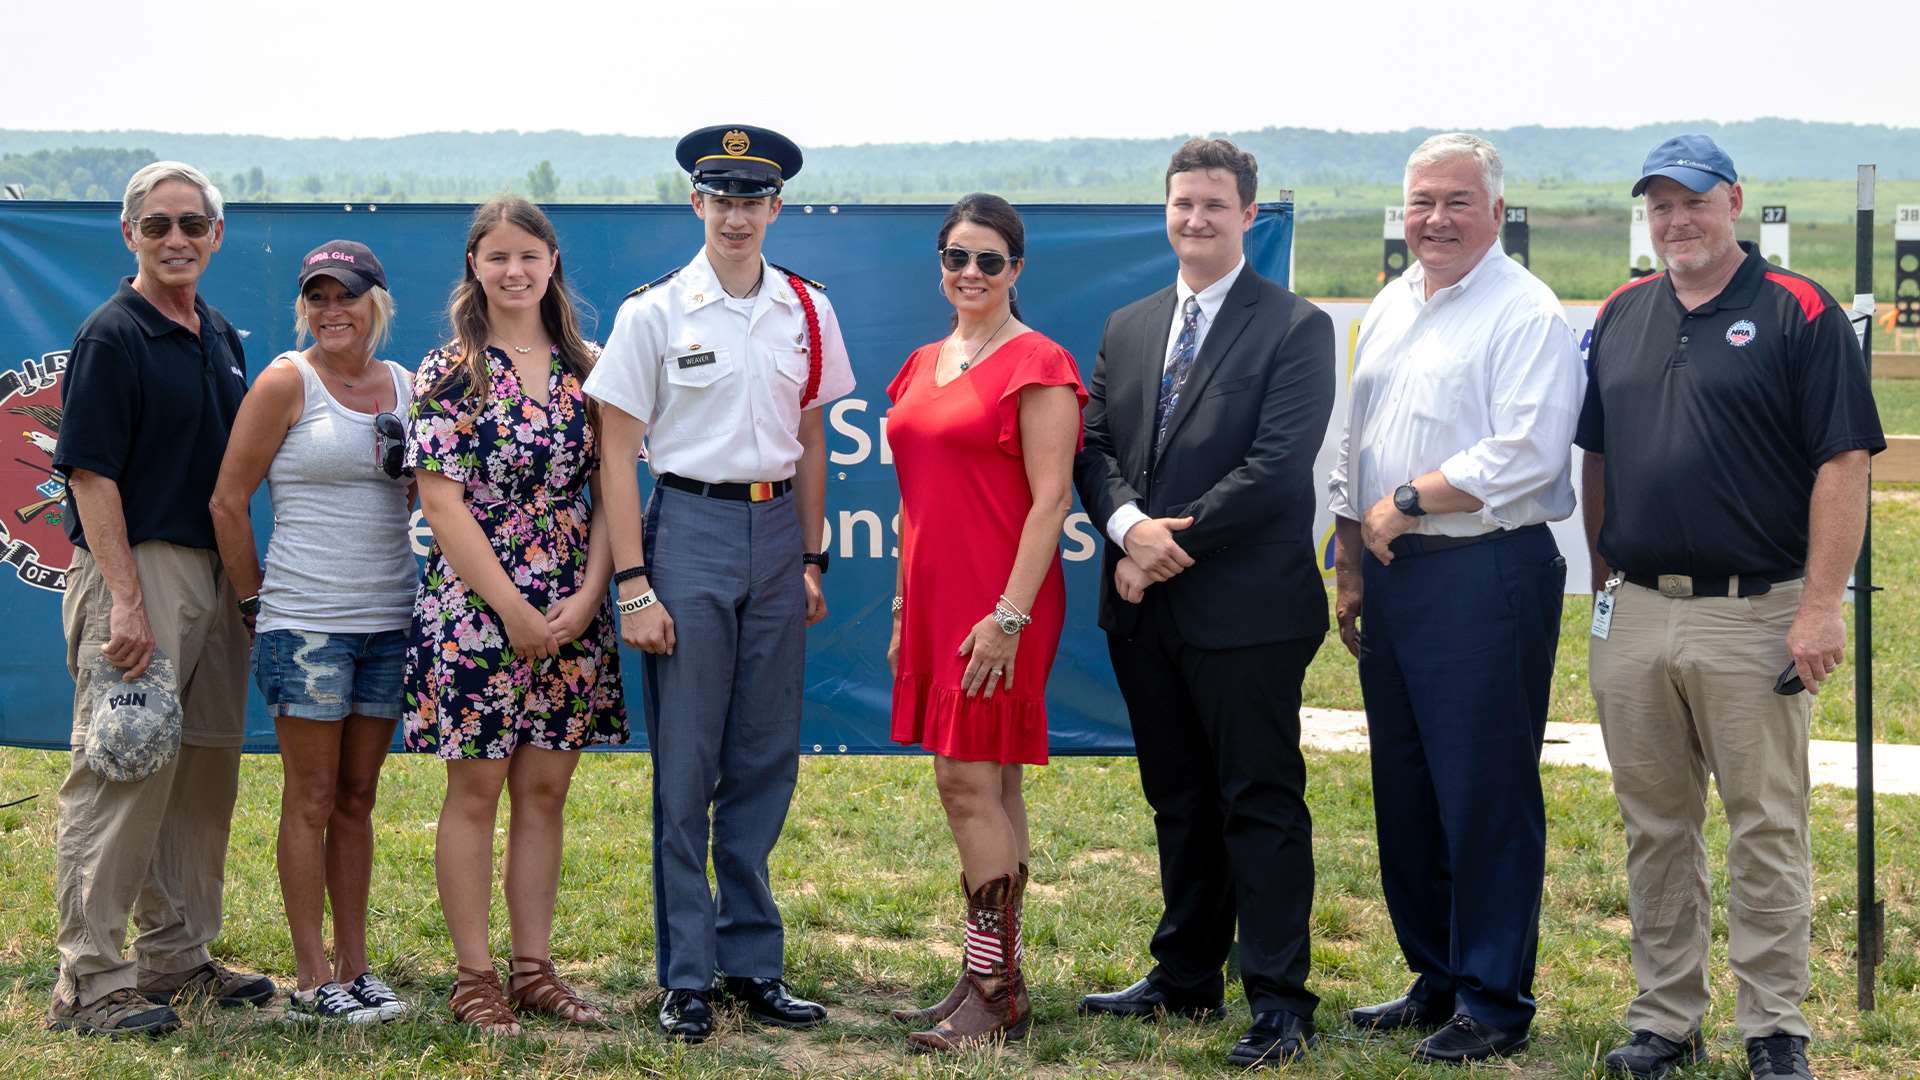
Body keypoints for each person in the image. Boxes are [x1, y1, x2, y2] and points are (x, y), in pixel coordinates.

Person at [1578, 135, 1883, 1080]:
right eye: (1660, 205)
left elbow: (1844, 463)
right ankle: (1665, 1019)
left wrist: (1821, 608)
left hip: (1757, 610)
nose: (1678, 220)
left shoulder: (1798, 310)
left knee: (1766, 824)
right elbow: (1597, 456)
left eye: (1694, 201)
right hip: (1634, 611)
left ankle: (1774, 1027)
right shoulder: (1622, 311)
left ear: (1735, 202)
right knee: (1656, 825)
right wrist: (1601, 586)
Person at [585, 124, 854, 1043]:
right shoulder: (654, 313)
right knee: (688, 765)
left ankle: (752, 963)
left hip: (777, 531)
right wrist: (632, 581)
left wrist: (811, 555)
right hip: (687, 528)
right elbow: (617, 454)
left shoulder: (808, 311)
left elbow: (812, 438)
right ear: (696, 203)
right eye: (722, 198)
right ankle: (687, 975)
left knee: (763, 757)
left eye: (754, 200)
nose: (738, 215)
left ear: (778, 207)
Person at [1072, 138, 1334, 1070]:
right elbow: (1092, 446)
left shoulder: (1295, 327)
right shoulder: (1131, 324)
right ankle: (1185, 976)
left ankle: (1279, 1002)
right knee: (1178, 800)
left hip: (1248, 612)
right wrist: (1128, 531)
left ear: (1247, 215)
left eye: (1214, 204)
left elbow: (1274, 469)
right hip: (1143, 610)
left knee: (1258, 802)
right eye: (1182, 202)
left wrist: (1161, 548)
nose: (1195, 218)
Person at [1326, 132, 1582, 1064]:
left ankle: (1493, 1000)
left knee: (1484, 792)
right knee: (1409, 786)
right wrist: (1351, 553)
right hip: (1397, 576)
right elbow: (1359, 436)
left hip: (1485, 571)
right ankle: (1434, 975)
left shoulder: (1526, 313)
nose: (1434, 219)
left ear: (1497, 213)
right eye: (1422, 202)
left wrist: (1405, 501)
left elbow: (1528, 452)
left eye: (1456, 203)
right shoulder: (1396, 302)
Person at [47, 161, 272, 1036]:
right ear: (129, 235)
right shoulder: (115, 333)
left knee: (202, 772)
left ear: (216, 236)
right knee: (123, 768)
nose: (175, 239)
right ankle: (91, 980)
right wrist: (128, 603)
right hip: (136, 571)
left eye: (192, 225)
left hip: (211, 572)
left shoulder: (215, 331)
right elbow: (91, 473)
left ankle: (176, 955)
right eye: (157, 226)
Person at [403, 197, 627, 1036]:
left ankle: (534, 970)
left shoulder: (592, 367)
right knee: (476, 792)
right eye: (497, 257)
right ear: (475, 267)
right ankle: (474, 976)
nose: (514, 271)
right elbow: (443, 505)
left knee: (545, 792)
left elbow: (614, 491)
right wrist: (515, 611)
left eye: (529, 255)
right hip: (477, 610)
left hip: (573, 606)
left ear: (553, 261)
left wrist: (588, 592)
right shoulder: (449, 371)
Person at [884, 194, 1086, 1050]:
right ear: (942, 266)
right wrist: (902, 605)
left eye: (990, 261)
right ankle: (991, 982)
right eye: (958, 258)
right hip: (934, 601)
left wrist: (1007, 616)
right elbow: (912, 503)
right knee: (991, 784)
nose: (972, 273)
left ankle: (994, 992)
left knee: (965, 784)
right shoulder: (922, 361)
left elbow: (1052, 502)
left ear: (1017, 270)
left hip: (1003, 601)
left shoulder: (1039, 362)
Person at [207, 240, 414, 1024]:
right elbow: (229, 501)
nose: (333, 311)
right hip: (307, 627)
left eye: (347, 296)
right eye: (317, 298)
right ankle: (310, 974)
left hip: (389, 622)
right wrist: (256, 604)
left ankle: (358, 968)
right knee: (313, 797)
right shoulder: (285, 381)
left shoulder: (405, 386)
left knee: (358, 798)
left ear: (376, 303)